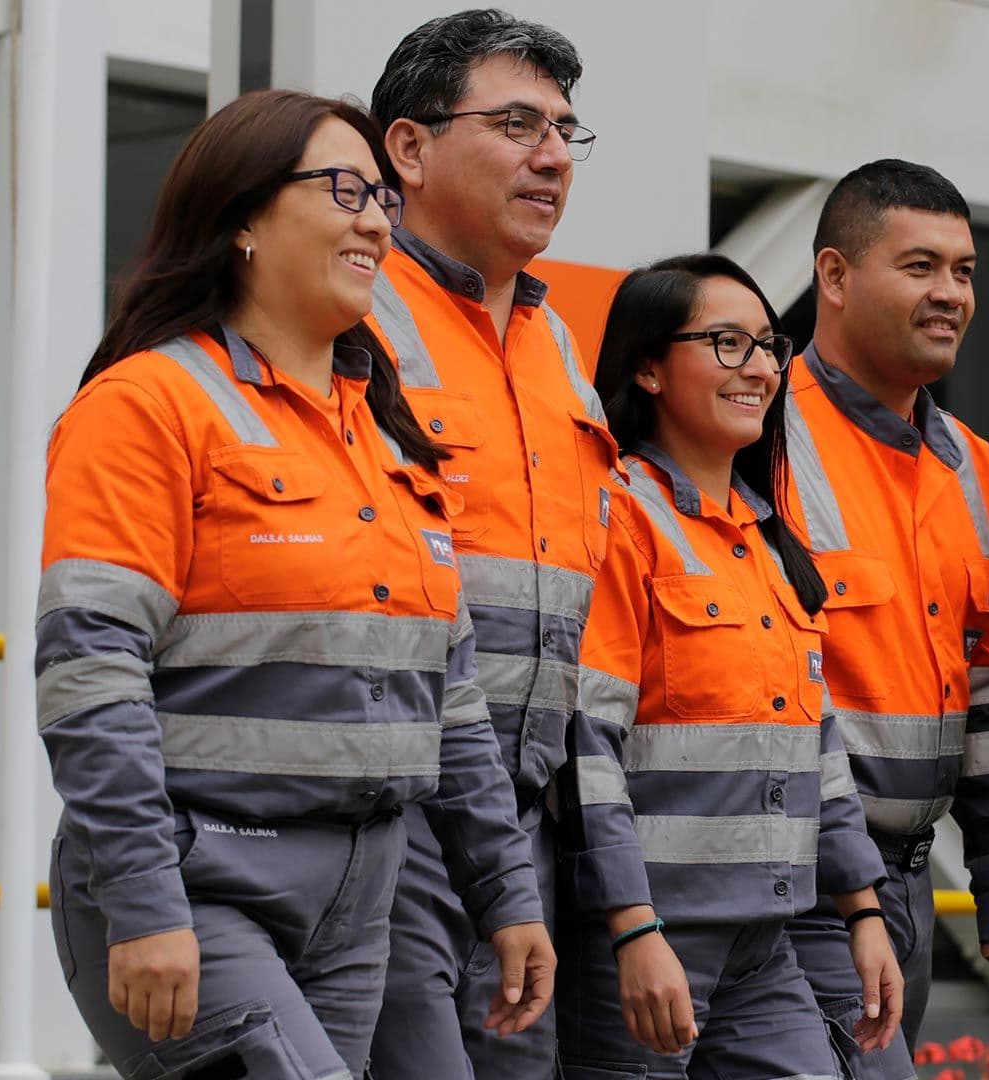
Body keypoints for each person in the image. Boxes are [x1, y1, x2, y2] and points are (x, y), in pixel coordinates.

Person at [36, 89, 548, 1079]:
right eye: (344, 189)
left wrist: (506, 893)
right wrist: (144, 902)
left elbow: (452, 700)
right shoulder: (150, 404)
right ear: (241, 218)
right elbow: (90, 673)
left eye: (383, 201)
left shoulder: (388, 439)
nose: (374, 220)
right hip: (197, 885)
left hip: (360, 901)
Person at [556, 253, 902, 1078]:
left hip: (764, 935)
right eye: (725, 343)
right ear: (646, 366)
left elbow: (817, 746)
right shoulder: (621, 518)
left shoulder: (768, 541)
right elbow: (587, 747)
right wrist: (634, 929)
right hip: (647, 937)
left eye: (767, 346)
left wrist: (862, 911)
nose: (758, 367)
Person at [364, 10, 615, 1076]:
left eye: (565, 129)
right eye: (517, 124)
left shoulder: (555, 338)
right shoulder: (354, 307)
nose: (552, 155)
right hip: (394, 807)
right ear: (409, 149)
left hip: (530, 819)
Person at [777, 159, 989, 1078]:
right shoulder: (757, 429)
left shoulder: (968, 459)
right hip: (795, 881)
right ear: (836, 277)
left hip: (907, 885)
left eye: (964, 271)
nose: (950, 295)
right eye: (920, 266)